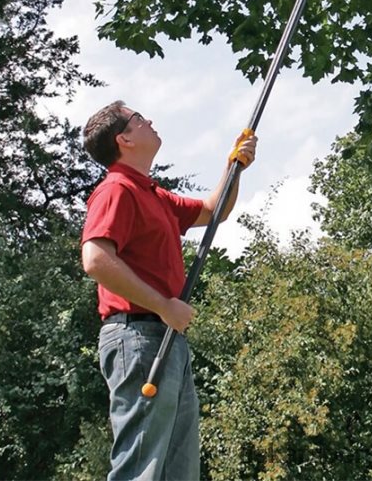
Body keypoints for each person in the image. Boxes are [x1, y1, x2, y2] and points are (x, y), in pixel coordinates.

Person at [80, 100, 257, 481]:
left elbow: (214, 210)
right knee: (140, 467)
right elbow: (95, 259)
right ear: (124, 139)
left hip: (165, 336)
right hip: (138, 336)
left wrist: (234, 166)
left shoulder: (154, 195)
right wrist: (163, 305)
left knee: (179, 470)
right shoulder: (116, 189)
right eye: (138, 118)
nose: (150, 120)